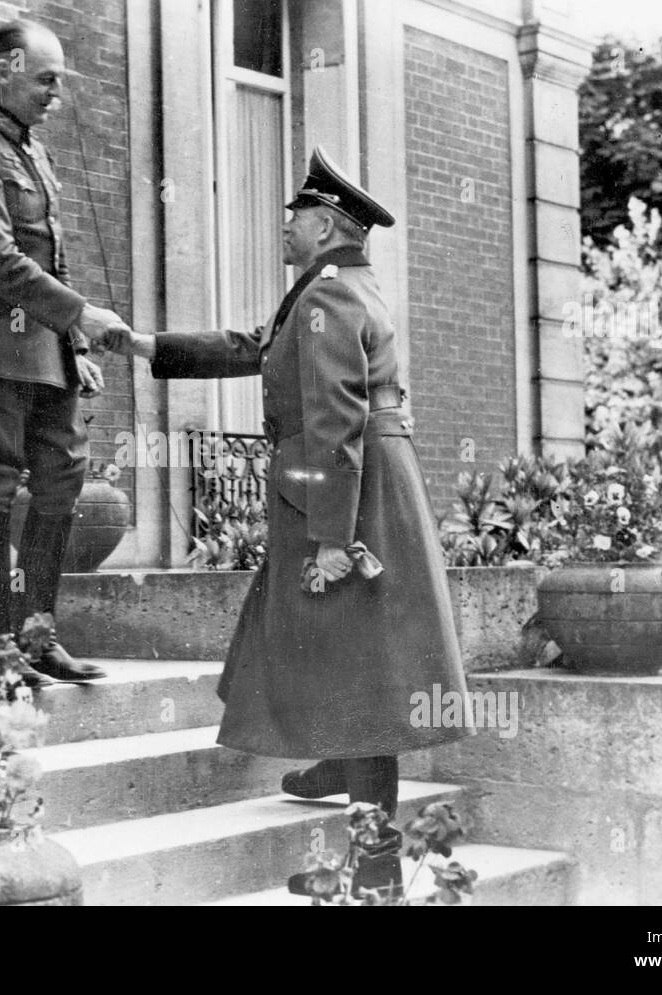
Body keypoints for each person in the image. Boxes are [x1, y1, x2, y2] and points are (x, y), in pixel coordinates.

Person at [109, 148, 475, 896]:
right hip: (356, 491)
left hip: (348, 497)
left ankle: (376, 877)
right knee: (348, 662)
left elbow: (335, 422)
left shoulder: (326, 299)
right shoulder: (332, 290)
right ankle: (339, 777)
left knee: (366, 680)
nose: (284, 227)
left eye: (296, 217)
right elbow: (256, 346)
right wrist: (149, 345)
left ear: (328, 225)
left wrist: (336, 541)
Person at [0, 20, 129, 686]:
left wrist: (72, 342)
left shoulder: (33, 154)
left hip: (44, 352)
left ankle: (38, 637)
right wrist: (81, 315)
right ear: (6, 67)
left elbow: (54, 256)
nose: (55, 96)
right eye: (47, 80)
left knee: (61, 484)